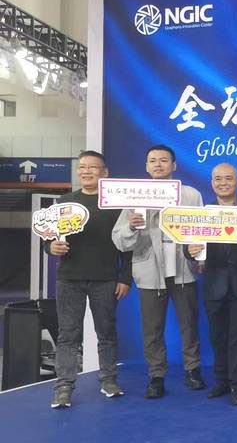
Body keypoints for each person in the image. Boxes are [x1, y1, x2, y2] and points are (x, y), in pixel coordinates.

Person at [112, 144, 205, 398]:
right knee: (152, 329)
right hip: (149, 272)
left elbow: (202, 230)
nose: (158, 165)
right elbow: (119, 240)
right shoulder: (134, 197)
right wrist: (131, 226)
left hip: (183, 270)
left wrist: (201, 256)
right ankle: (156, 375)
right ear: (146, 166)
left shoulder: (191, 195)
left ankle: (193, 369)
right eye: (153, 160)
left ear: (174, 165)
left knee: (189, 324)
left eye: (163, 160)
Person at [48, 150, 132, 409]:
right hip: (69, 278)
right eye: (82, 167)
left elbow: (126, 246)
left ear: (105, 172)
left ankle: (109, 380)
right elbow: (48, 239)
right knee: (68, 335)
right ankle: (64, 387)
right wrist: (51, 247)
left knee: (106, 332)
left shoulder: (116, 204)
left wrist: (125, 278)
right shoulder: (64, 202)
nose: (86, 171)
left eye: (92, 167)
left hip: (106, 279)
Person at [185, 163, 237, 405]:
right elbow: (189, 245)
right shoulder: (204, 212)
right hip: (214, 283)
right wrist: (190, 251)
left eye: (228, 178)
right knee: (217, 335)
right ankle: (222, 381)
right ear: (212, 183)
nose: (223, 183)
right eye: (218, 179)